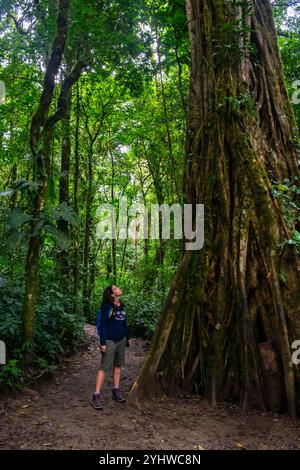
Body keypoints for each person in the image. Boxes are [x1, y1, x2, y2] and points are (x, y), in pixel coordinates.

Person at [91, 285, 129, 410]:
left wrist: (126, 338)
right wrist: (102, 343)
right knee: (104, 368)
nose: (118, 289)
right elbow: (102, 325)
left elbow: (123, 322)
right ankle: (96, 395)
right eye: (116, 288)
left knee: (118, 365)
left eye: (118, 287)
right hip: (110, 341)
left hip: (121, 340)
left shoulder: (121, 305)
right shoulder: (107, 306)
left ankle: (116, 390)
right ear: (112, 294)